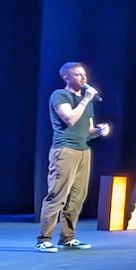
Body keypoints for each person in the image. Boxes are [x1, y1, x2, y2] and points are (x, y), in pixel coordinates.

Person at [36, 61, 111, 252]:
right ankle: (44, 239)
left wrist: (100, 131)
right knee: (57, 195)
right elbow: (69, 119)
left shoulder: (87, 103)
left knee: (77, 196)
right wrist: (85, 99)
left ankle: (67, 238)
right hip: (65, 150)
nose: (84, 78)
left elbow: (88, 130)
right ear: (66, 77)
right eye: (78, 75)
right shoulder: (60, 95)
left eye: (84, 74)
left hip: (83, 150)